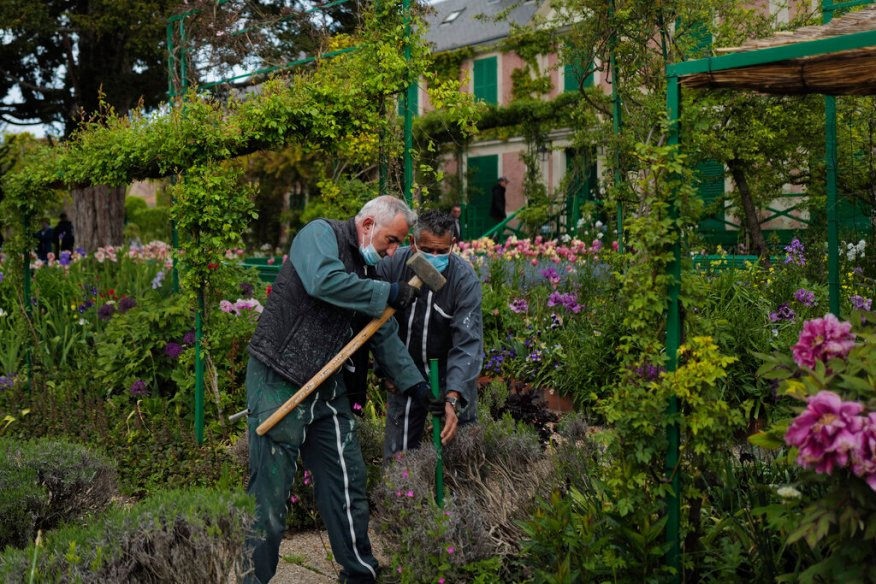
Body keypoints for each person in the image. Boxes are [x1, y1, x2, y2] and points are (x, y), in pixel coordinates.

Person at [244, 195, 446, 584]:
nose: (392, 250)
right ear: (368, 224)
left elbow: (382, 332)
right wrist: (386, 294)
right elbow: (323, 281)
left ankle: (360, 572)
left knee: (346, 480)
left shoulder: (370, 274)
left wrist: (416, 385)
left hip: (325, 385)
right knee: (270, 492)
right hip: (277, 377)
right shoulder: (319, 235)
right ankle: (254, 578)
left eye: (397, 245)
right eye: (390, 240)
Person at [377, 209, 483, 459]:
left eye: (441, 251)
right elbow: (379, 327)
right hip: (405, 372)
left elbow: (467, 343)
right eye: (428, 250)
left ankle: (460, 495)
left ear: (453, 246)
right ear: (413, 243)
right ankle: (401, 496)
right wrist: (387, 370)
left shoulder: (464, 280)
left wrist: (453, 397)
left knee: (459, 449)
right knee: (399, 459)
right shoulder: (392, 267)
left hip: (449, 374)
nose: (434, 257)